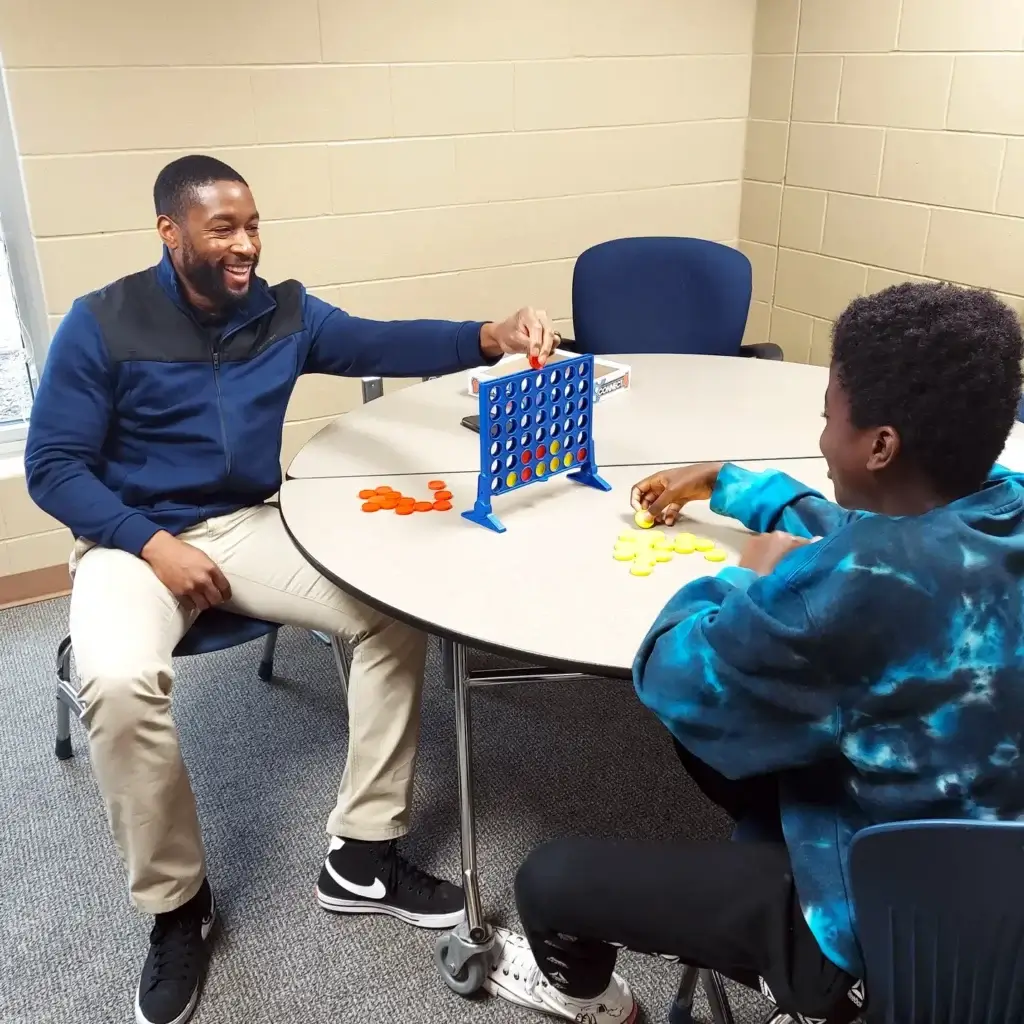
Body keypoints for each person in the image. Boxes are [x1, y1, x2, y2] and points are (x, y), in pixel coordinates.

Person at [25, 154, 560, 1024]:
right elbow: (51, 466)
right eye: (224, 228)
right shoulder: (103, 324)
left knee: (390, 613)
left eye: (253, 224)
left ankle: (363, 854)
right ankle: (176, 908)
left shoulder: (284, 312)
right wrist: (150, 543)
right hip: (130, 537)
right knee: (119, 682)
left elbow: (382, 340)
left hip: (243, 525)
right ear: (170, 233)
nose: (246, 244)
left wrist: (486, 335)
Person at [481, 281, 1024, 1024]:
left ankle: (600, 1003)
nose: (823, 433)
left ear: (881, 444)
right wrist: (726, 483)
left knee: (549, 879)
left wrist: (744, 576)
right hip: (988, 875)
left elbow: (669, 671)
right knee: (729, 743)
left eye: (829, 414)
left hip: (871, 937)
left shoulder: (835, 598)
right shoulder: (998, 506)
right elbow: (888, 534)